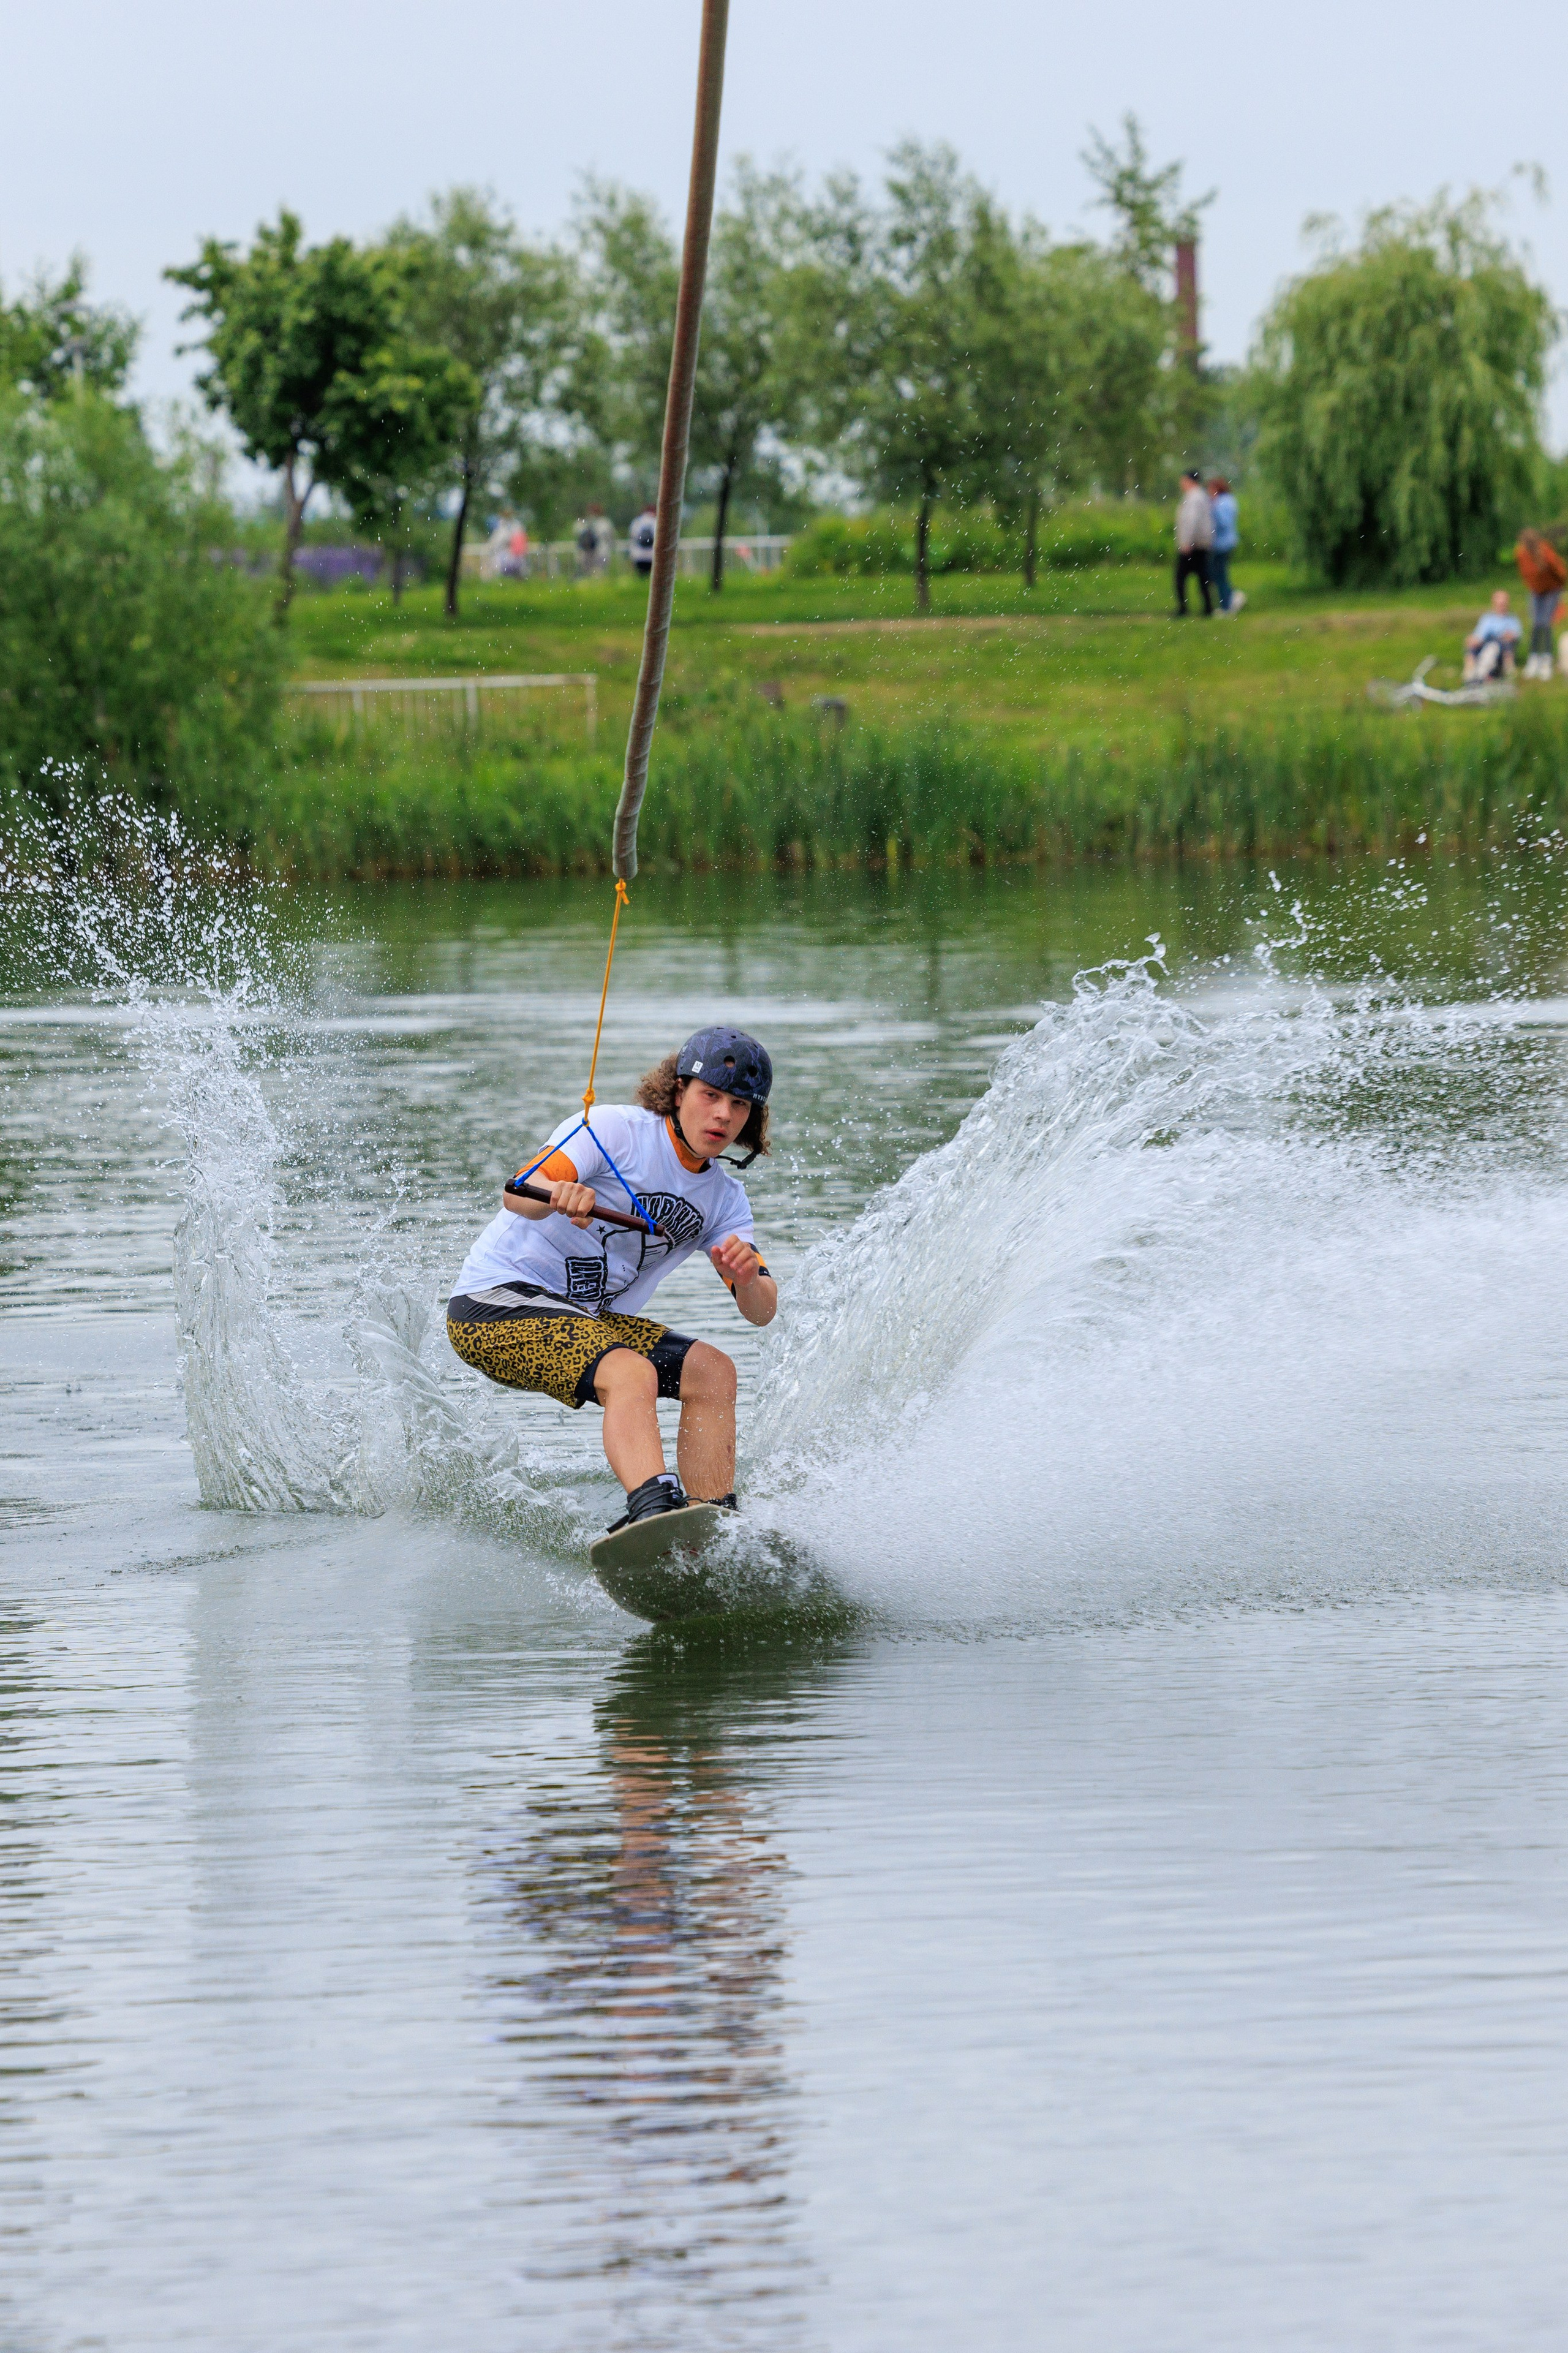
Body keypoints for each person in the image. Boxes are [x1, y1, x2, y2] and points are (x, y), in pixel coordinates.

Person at [447, 1028, 777, 1533]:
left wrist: (747, 1276)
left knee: (713, 1371)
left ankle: (712, 1526)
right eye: (710, 1095)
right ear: (678, 1090)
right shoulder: (614, 1130)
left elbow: (761, 1310)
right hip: (493, 1307)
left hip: (582, 1321)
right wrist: (560, 1192)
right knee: (631, 1373)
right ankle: (652, 1515)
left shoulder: (725, 1200)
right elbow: (518, 1194)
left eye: (739, 1105)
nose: (723, 1116)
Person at [1514, 527, 1566, 679]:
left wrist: (1557, 585)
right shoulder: (1521, 553)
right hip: (1536, 591)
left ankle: (1546, 660)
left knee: (1545, 624)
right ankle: (1534, 658)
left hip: (1552, 590)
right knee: (1535, 624)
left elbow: (1561, 571)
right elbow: (1525, 573)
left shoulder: (1545, 550)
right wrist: (1534, 584)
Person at [1174, 470, 1214, 617]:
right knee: (1203, 576)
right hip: (1201, 543)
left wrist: (1186, 542)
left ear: (1189, 481)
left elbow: (1192, 521)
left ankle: (1183, 608)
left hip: (1193, 545)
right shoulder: (1202, 496)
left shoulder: (1193, 498)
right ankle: (1208, 607)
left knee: (1180, 577)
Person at [1462, 589, 1522, 682]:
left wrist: (1509, 636)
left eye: (1504, 604)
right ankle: (1469, 674)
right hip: (1486, 643)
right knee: (1473, 645)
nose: (1502, 606)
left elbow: (1517, 635)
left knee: (1502, 644)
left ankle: (1508, 672)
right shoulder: (1487, 618)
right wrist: (1473, 640)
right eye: (1500, 604)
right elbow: (1479, 635)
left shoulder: (1512, 619)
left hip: (1502, 646)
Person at [1207, 477, 1246, 616]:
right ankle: (1231, 598)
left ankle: (1226, 607)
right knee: (1219, 574)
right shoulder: (1230, 501)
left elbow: (1223, 523)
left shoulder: (1221, 503)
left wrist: (1213, 512)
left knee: (1219, 576)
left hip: (1221, 544)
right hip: (1227, 542)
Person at [629, 504, 657, 578]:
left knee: (641, 577)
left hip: (639, 553)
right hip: (652, 554)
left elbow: (633, 536)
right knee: (651, 577)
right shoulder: (656, 521)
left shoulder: (637, 521)